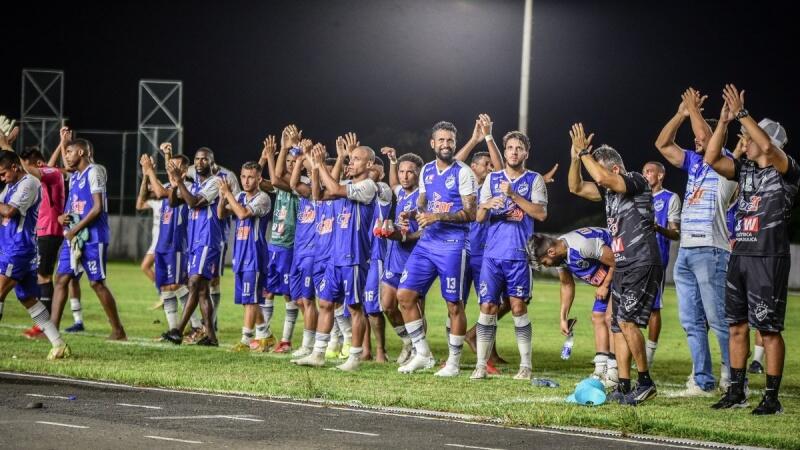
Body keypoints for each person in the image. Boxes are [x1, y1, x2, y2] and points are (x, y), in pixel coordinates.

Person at [704, 84, 798, 415]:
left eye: (750, 135)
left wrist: (744, 114)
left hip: (768, 258)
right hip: (741, 255)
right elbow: (712, 158)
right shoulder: (745, 170)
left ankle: (771, 398)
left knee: (768, 329)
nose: (746, 140)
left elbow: (770, 148)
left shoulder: (786, 170)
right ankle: (736, 391)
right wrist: (725, 122)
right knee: (736, 325)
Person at [568, 123, 662, 405]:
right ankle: (623, 384)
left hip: (641, 260)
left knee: (627, 321)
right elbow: (574, 186)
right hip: (623, 263)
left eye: (599, 170)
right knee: (617, 324)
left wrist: (585, 152)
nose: (596, 177)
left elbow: (605, 179)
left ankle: (645, 382)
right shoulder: (609, 191)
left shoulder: (635, 180)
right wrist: (576, 157)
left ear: (615, 170)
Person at [655, 88, 736, 394]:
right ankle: (703, 381)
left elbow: (707, 134)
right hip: (686, 251)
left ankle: (733, 374)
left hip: (712, 250)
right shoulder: (694, 162)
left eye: (702, 137)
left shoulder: (725, 162)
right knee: (691, 322)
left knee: (718, 320)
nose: (696, 139)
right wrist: (681, 113)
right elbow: (662, 143)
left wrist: (696, 112)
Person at [395, 121, 478, 377]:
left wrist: (437, 217)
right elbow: (422, 204)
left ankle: (453, 363)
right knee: (404, 296)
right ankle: (422, 354)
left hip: (453, 245)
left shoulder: (463, 173)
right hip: (427, 243)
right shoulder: (427, 171)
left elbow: (471, 213)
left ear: (455, 143)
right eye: (441, 140)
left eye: (450, 140)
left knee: (454, 305)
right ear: (433, 144)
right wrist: (410, 212)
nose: (446, 145)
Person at [292, 141, 377, 371]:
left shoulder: (369, 187)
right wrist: (318, 169)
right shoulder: (347, 183)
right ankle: (318, 353)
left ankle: (355, 357)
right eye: (351, 158)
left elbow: (337, 190)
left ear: (369, 163)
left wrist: (319, 163)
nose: (352, 161)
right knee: (326, 302)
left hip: (355, 257)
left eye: (356, 158)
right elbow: (318, 195)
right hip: (335, 256)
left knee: (355, 307)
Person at [471, 130, 548, 381]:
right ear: (504, 152)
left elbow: (540, 214)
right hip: (492, 256)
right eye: (510, 148)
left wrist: (513, 195)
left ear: (526, 153)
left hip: (518, 255)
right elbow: (479, 218)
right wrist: (486, 204)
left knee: (517, 307)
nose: (514, 152)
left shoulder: (534, 180)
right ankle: (480, 366)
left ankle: (525, 366)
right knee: (487, 307)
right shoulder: (492, 179)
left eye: (519, 148)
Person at [48, 138, 127, 340]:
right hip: (73, 237)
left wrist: (75, 229)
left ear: (81, 152)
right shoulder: (74, 177)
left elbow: (97, 208)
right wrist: (61, 217)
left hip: (93, 236)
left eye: (69, 151)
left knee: (96, 284)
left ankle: (118, 330)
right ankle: (52, 330)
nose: (66, 156)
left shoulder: (95, 171)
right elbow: (70, 206)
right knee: (61, 279)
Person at [0, 150, 70, 359]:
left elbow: (9, 211)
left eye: (3, 173)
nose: (1, 178)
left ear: (15, 167)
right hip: (10, 248)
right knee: (28, 298)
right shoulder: (10, 186)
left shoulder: (29, 183)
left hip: (18, 250)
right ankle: (58, 344)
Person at [526, 227, 617, 387]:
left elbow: (616, 260)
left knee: (610, 318)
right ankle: (600, 369)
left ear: (551, 252)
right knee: (597, 317)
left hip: (622, 271)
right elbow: (567, 284)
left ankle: (614, 373)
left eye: (544, 262)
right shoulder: (561, 251)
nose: (546, 266)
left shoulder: (582, 245)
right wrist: (563, 317)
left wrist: (606, 284)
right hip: (609, 277)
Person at [161, 147, 224, 346]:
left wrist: (179, 181)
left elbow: (195, 203)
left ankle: (178, 330)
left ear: (212, 162)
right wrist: (173, 184)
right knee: (203, 291)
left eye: (204, 159)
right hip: (195, 241)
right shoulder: (194, 184)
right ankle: (211, 337)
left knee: (194, 283)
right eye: (197, 159)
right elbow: (172, 203)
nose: (199, 162)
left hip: (208, 239)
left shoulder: (215, 182)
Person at [218, 161, 271, 352]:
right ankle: (265, 334)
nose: (246, 181)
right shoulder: (239, 195)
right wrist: (223, 196)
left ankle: (246, 340)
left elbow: (241, 214)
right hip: (240, 255)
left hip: (254, 255)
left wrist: (229, 194)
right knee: (246, 299)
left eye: (250, 177)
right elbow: (221, 213)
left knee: (250, 299)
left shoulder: (262, 198)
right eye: (243, 176)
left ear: (258, 179)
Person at [379, 147, 424, 365]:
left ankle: (419, 351)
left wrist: (406, 237)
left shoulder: (423, 198)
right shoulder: (401, 192)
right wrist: (394, 161)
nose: (405, 176)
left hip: (415, 257)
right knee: (387, 305)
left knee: (415, 307)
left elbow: (425, 232)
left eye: (410, 172)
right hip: (395, 255)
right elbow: (393, 183)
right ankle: (407, 340)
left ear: (419, 174)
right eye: (402, 171)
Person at [140, 146, 192, 336]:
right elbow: (160, 188)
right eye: (171, 167)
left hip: (176, 244)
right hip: (162, 244)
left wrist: (150, 171)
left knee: (177, 285)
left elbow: (162, 193)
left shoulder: (188, 188)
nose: (172, 170)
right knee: (165, 287)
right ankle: (172, 329)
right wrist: (166, 158)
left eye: (177, 167)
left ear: (185, 172)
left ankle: (197, 326)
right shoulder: (171, 186)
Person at [260, 125, 302, 353]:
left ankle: (286, 340)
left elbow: (276, 180)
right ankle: (265, 335)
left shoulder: (298, 184)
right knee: (267, 290)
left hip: (290, 245)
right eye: (286, 164)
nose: (288, 166)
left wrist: (287, 149)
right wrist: (267, 157)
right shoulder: (281, 186)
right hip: (274, 243)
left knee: (288, 293)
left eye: (292, 164)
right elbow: (261, 182)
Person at [641, 161, 681, 367]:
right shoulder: (637, 196)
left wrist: (657, 227)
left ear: (660, 175)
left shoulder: (670, 198)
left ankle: (648, 356)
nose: (646, 175)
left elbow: (675, 233)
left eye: (650, 171)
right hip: (633, 259)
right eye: (644, 172)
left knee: (653, 308)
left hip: (656, 260)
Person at [286, 139, 320, 358]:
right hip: (298, 250)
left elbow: (315, 188)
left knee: (308, 300)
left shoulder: (321, 195)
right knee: (298, 299)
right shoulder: (305, 192)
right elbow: (292, 183)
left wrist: (309, 158)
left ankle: (309, 345)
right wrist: (299, 157)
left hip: (312, 252)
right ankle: (314, 339)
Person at [135, 157, 162, 309]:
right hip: (156, 242)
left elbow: (157, 186)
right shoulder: (155, 202)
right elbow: (139, 205)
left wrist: (150, 171)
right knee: (145, 267)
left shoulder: (167, 198)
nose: (151, 189)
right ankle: (163, 294)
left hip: (163, 242)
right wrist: (146, 175)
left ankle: (165, 295)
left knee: (147, 266)